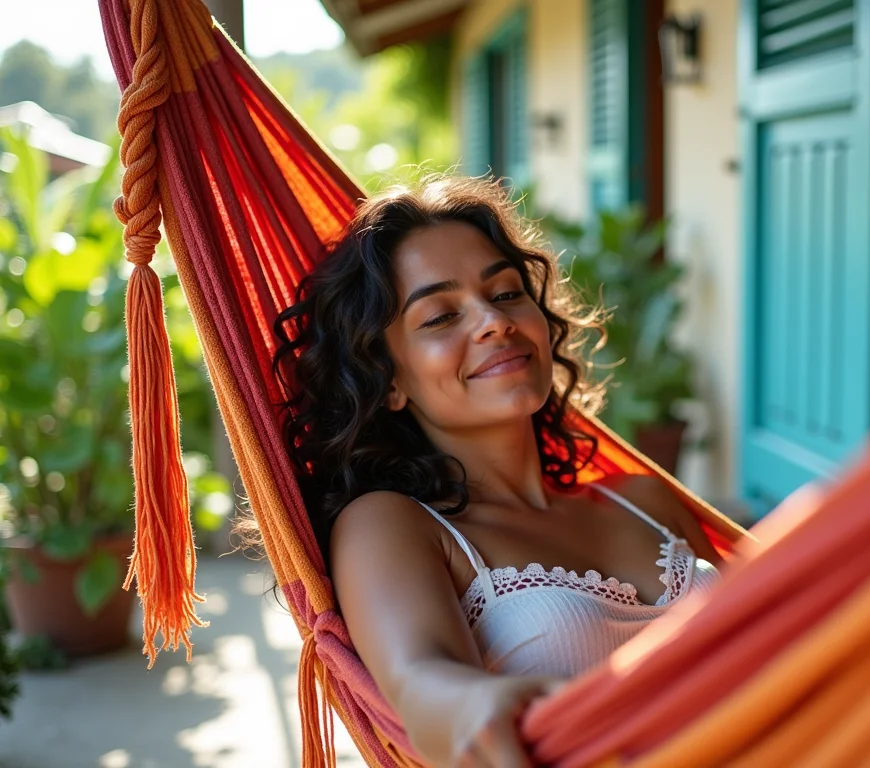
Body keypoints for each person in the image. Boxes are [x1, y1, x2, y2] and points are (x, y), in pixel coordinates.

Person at [272, 176, 724, 767]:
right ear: (390, 382)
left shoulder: (645, 499)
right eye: (439, 317)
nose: (493, 320)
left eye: (507, 292)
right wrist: (473, 706)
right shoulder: (393, 525)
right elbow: (418, 681)